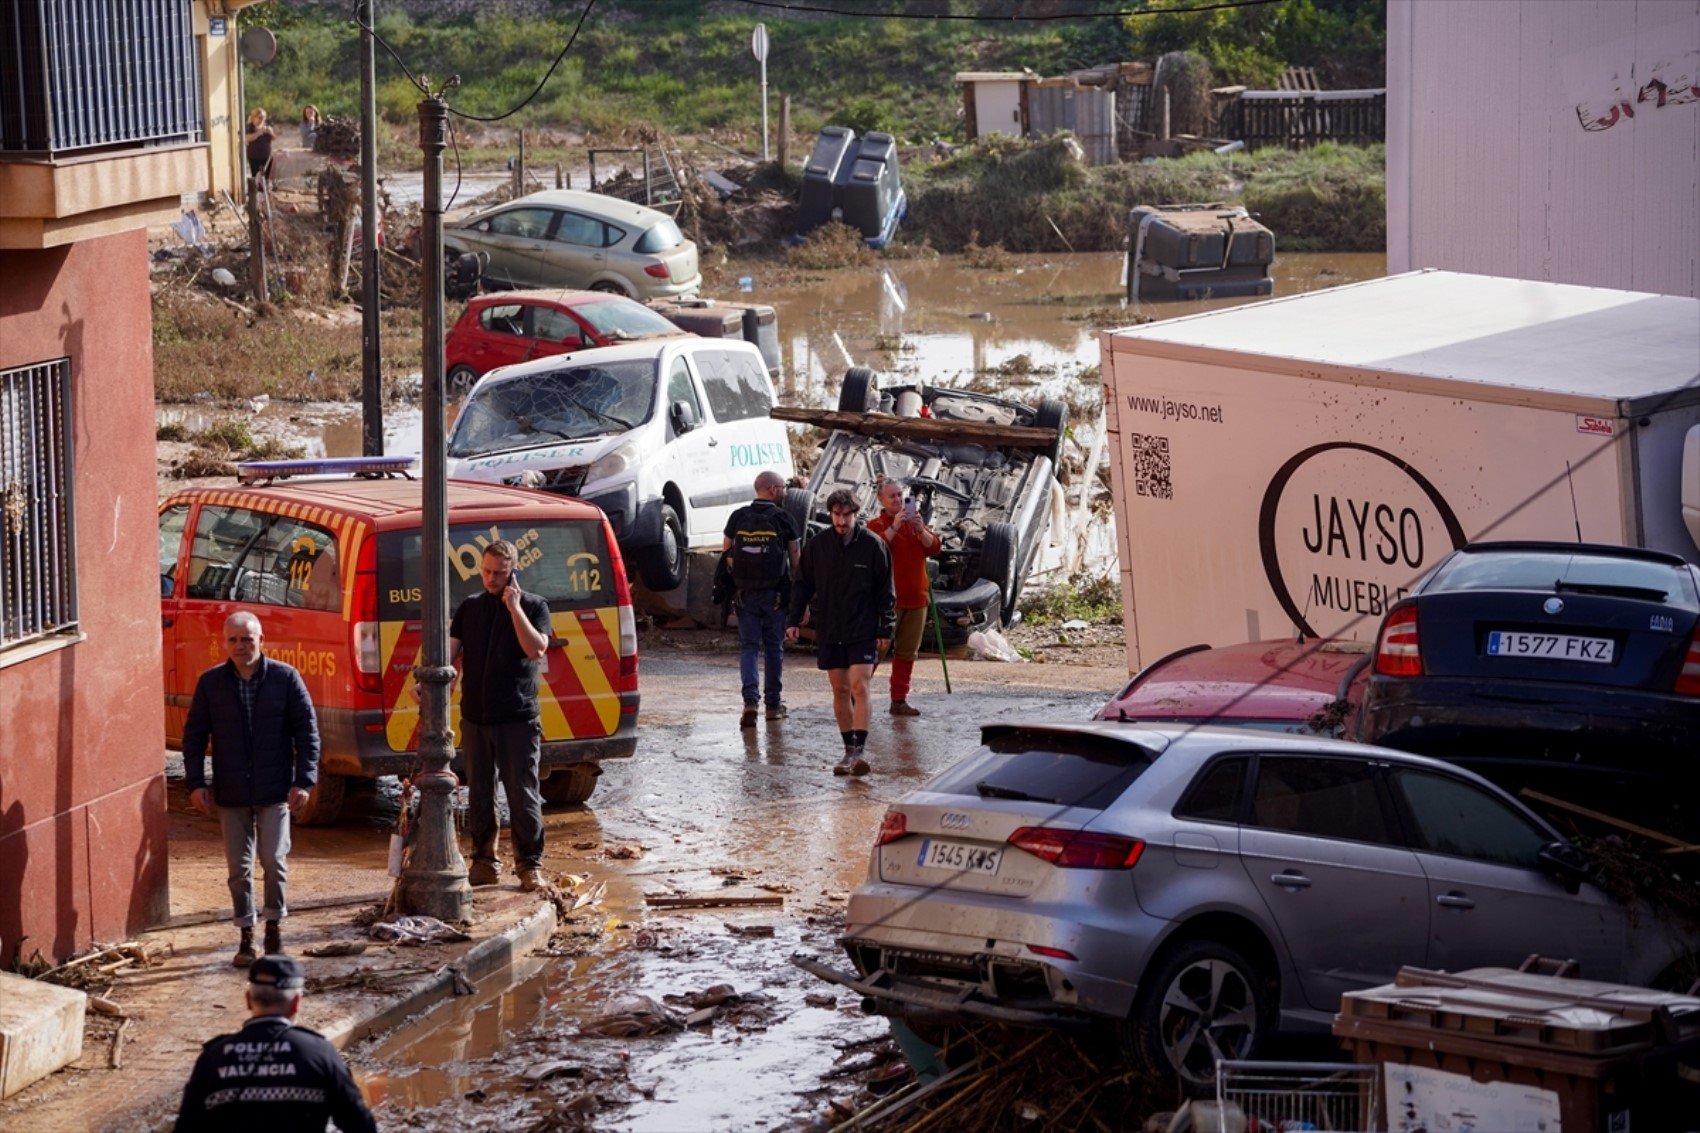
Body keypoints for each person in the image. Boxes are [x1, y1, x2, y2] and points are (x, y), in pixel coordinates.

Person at [183, 611, 321, 966]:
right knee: (238, 867)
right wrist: (196, 783)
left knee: (274, 860)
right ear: (224, 643)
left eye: (247, 639)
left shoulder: (285, 678)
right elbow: (194, 737)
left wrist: (304, 780)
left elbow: (307, 732)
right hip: (230, 792)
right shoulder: (211, 683)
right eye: (233, 640)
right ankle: (246, 936)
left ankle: (273, 925)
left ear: (262, 641)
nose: (241, 646)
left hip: (275, 789)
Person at [174, 954, 377, 1133]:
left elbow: (187, 1127)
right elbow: (360, 1125)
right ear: (296, 1002)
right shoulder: (319, 1053)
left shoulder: (213, 1057)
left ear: (248, 1000)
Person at [450, 539, 552, 892]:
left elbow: (536, 648)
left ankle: (529, 865)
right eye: (487, 571)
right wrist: (436, 682)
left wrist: (514, 608)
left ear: (513, 573)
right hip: (476, 718)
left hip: (517, 718)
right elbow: (451, 655)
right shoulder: (470, 607)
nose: (492, 579)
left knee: (522, 793)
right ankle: (484, 861)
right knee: (479, 792)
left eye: (500, 574)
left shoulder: (535, 606)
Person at [787, 489, 893, 776]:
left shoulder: (873, 546)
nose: (842, 520)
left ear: (855, 515)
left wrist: (885, 627)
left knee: (860, 686)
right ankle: (848, 749)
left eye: (847, 515)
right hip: (830, 627)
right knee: (840, 689)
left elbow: (886, 590)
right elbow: (802, 584)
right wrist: (793, 619)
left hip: (863, 627)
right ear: (831, 514)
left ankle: (859, 751)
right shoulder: (818, 546)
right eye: (836, 515)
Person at [723, 470, 802, 728]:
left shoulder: (737, 517)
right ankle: (772, 705)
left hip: (745, 595)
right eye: (783, 487)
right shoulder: (784, 518)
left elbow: (726, 555)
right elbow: (795, 560)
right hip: (774, 595)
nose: (787, 491)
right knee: (773, 649)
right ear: (772, 490)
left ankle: (749, 703)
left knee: (748, 647)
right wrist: (796, 597)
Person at [866, 478, 942, 716]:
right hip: (887, 601)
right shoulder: (875, 525)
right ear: (881, 500)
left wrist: (921, 530)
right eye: (892, 497)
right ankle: (858, 694)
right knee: (876, 650)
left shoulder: (914, 523)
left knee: (908, 653)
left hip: (917, 597)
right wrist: (895, 527)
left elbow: (935, 547)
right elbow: (875, 549)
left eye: (900, 495)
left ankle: (899, 700)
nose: (898, 500)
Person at [245, 109, 277, 190]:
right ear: (254, 117)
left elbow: (274, 138)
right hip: (255, 156)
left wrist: (270, 132)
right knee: (256, 177)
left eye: (263, 117)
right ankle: (255, 195)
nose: (261, 119)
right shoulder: (249, 127)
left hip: (267, 156)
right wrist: (259, 133)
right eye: (259, 117)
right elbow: (248, 138)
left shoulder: (267, 126)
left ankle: (265, 193)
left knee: (266, 177)